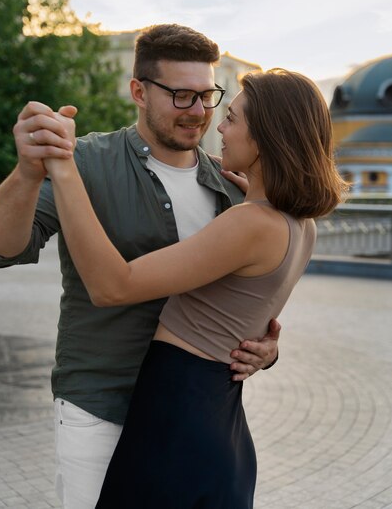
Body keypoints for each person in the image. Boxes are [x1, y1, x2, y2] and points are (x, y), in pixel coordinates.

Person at [0, 24, 280, 509]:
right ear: (138, 91)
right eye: (181, 96)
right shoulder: (86, 162)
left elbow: (242, 298)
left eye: (207, 95)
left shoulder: (230, 188)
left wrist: (266, 347)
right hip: (101, 406)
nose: (199, 112)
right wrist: (27, 171)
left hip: (190, 416)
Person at [42, 67, 347, 508]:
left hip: (178, 415)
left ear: (268, 138)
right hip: (216, 416)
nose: (217, 126)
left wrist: (65, 167)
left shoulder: (249, 223)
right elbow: (244, 307)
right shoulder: (300, 225)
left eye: (233, 118)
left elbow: (113, 286)